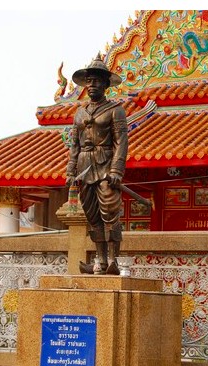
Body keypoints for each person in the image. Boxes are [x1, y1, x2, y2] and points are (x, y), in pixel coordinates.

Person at [65, 54, 128, 275]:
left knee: (110, 212)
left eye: (98, 81)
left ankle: (113, 260)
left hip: (105, 164)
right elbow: (74, 144)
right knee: (92, 216)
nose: (93, 85)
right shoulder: (79, 113)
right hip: (84, 166)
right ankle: (100, 261)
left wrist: (116, 170)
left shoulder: (115, 110)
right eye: (89, 80)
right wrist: (71, 169)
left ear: (106, 84)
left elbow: (121, 141)